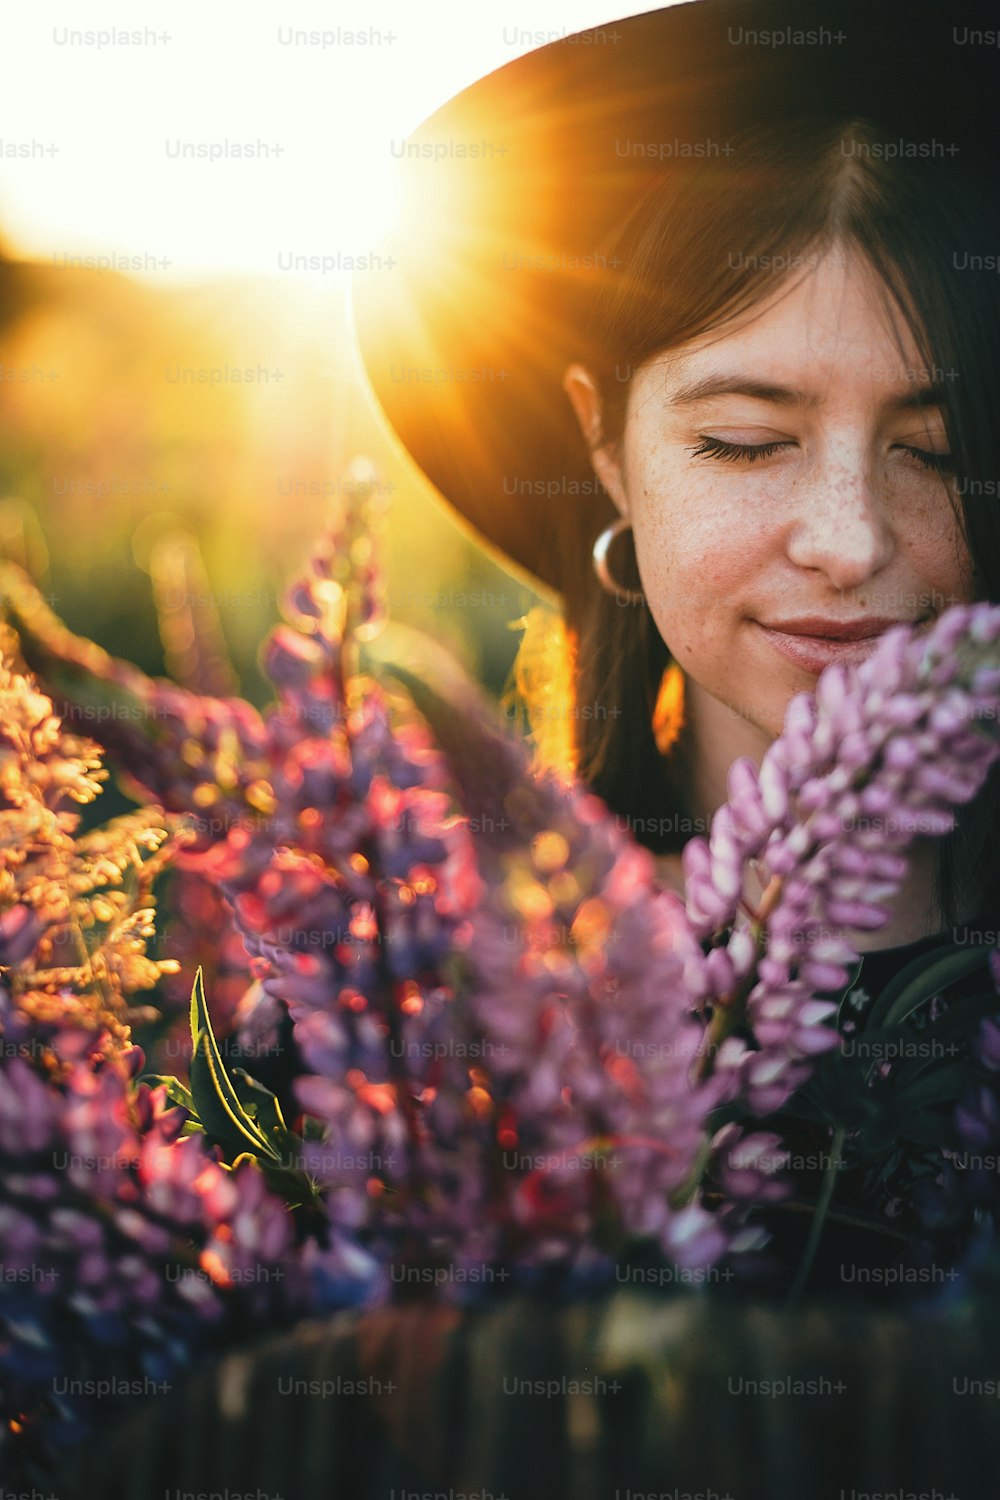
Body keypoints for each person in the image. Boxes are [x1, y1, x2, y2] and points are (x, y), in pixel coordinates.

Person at [352, 0, 1000, 1300]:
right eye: (749, 441)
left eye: (935, 450)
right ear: (608, 451)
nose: (847, 538)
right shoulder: (426, 1013)